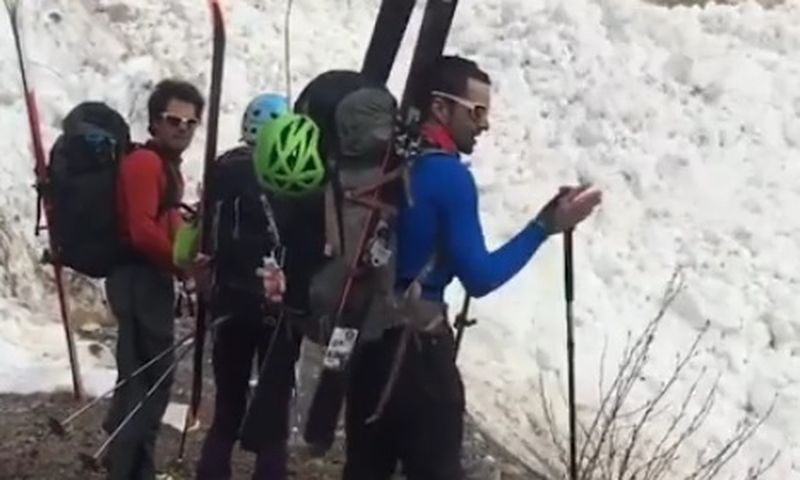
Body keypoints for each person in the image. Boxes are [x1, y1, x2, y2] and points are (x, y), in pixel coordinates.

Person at [341, 55, 603, 479]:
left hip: (370, 343)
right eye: (476, 112)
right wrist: (543, 227)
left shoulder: (394, 161)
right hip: (420, 355)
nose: (484, 124)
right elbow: (480, 277)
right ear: (440, 108)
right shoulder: (449, 178)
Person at [195, 93, 303, 480]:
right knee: (274, 406)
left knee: (228, 404)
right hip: (278, 303)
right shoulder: (293, 171)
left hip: (228, 299)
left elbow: (204, 229)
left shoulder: (223, 168)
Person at [102, 78, 205, 480]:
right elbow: (142, 230)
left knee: (140, 376)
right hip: (138, 278)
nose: (182, 128)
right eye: (173, 120)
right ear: (155, 122)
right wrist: (180, 264)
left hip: (145, 278)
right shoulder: (145, 164)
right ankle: (127, 467)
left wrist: (185, 258)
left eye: (190, 122)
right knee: (149, 380)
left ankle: (128, 462)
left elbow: (166, 220)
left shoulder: (165, 165)